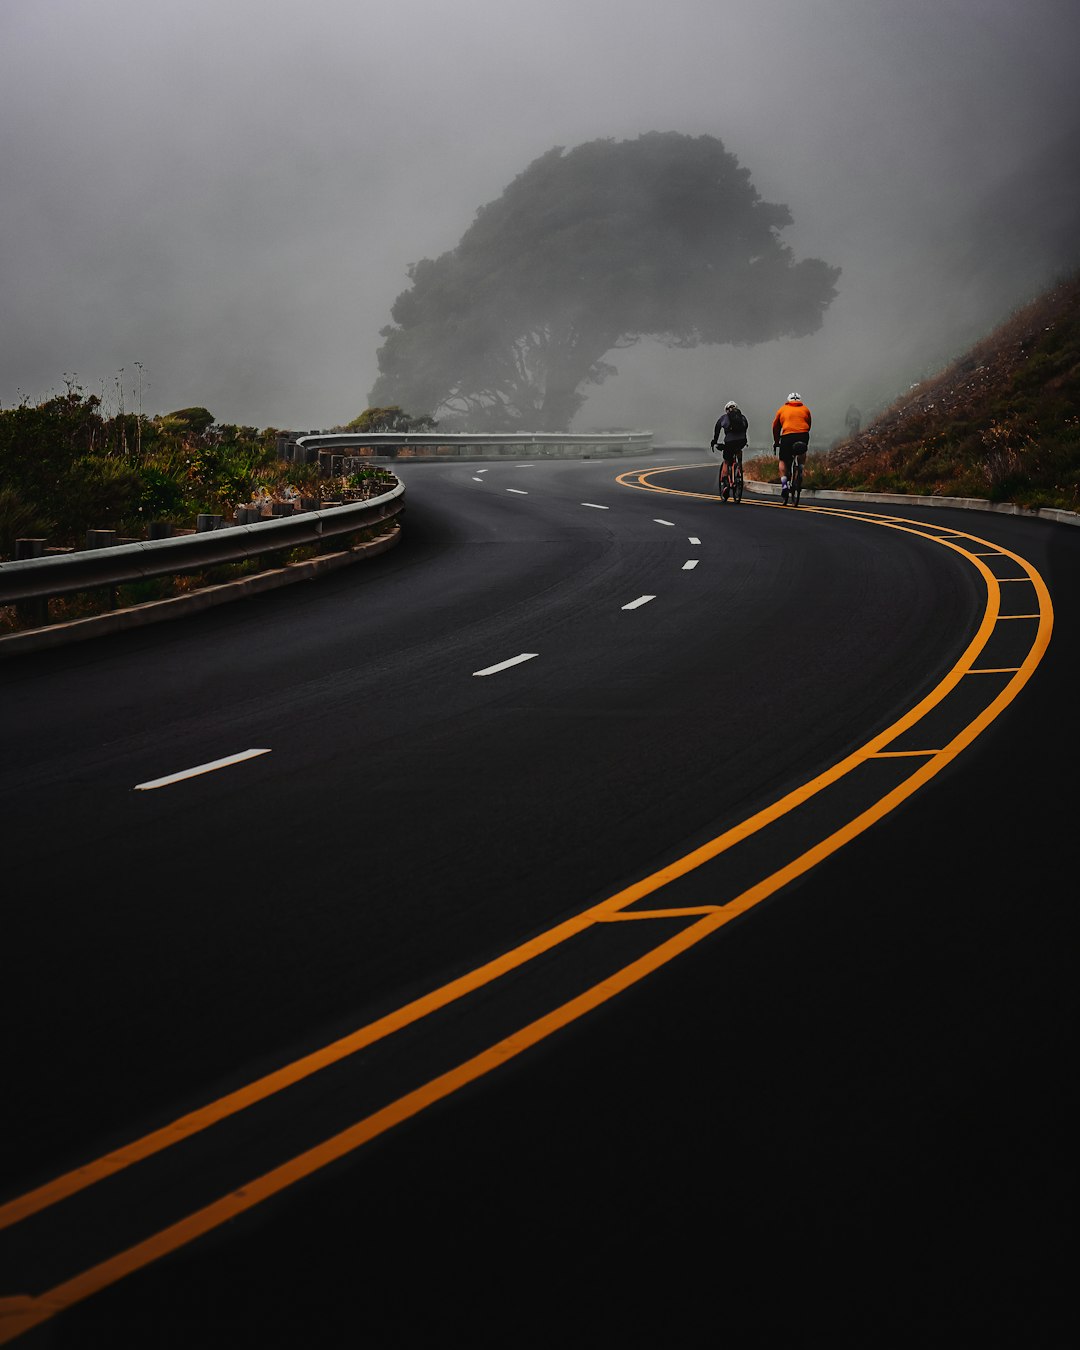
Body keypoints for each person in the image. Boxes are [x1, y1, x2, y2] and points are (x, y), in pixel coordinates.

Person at [772, 392, 811, 502]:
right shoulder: (805, 409)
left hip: (787, 436)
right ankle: (801, 469)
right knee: (802, 451)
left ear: (788, 400)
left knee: (783, 460)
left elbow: (775, 427)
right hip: (803, 434)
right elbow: (809, 424)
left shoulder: (782, 409)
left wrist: (776, 441)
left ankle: (784, 484)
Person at [710, 400, 749, 500]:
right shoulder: (742, 417)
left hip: (730, 441)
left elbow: (717, 428)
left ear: (727, 410)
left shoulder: (724, 418)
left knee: (726, 461)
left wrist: (714, 441)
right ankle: (739, 466)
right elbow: (745, 427)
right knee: (738, 450)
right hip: (742, 441)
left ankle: (726, 484)